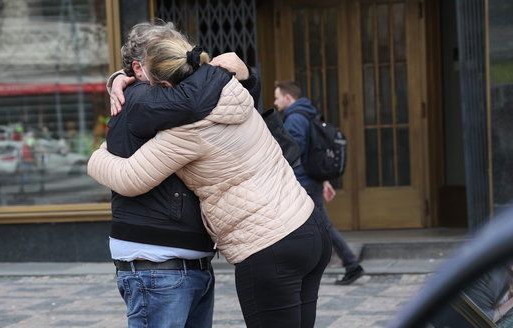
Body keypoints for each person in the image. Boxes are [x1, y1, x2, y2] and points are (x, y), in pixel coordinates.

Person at [88, 28, 332, 328]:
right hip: (309, 227)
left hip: (269, 245)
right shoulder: (233, 88)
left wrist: (98, 155)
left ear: (162, 84)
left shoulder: (189, 131)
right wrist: (120, 77)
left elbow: (129, 177)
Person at [100, 21, 256, 328]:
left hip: (186, 263)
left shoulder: (165, 95)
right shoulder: (142, 99)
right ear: (140, 68)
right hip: (157, 264)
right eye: (168, 59)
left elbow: (233, 108)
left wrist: (246, 76)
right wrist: (220, 69)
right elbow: (196, 100)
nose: (180, 67)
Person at [273, 80, 364, 285]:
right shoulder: (307, 113)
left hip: (302, 181)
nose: (275, 102)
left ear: (288, 98)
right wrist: (323, 181)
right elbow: (313, 153)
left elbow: (294, 152)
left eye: (277, 97)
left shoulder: (295, 118)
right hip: (309, 179)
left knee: (319, 226)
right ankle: (345, 264)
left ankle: (350, 263)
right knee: (312, 226)